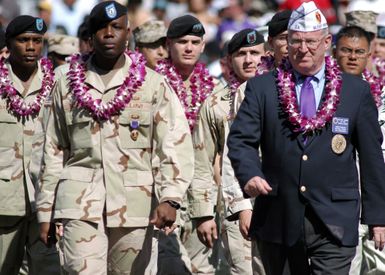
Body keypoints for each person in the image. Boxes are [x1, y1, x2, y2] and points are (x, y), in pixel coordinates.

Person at [227, 2, 385, 274]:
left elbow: (372, 157)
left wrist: (378, 218)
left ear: (326, 42)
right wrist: (249, 174)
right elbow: (241, 140)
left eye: (311, 42)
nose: (303, 49)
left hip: (335, 219)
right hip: (279, 216)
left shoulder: (354, 91)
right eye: (296, 41)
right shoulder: (262, 88)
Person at [36, 1, 194, 274]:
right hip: (79, 205)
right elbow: (52, 147)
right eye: (101, 28)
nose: (109, 33)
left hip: (136, 205)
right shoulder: (65, 82)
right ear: (90, 36)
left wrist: (170, 197)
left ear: (128, 33)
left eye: (116, 27)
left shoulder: (152, 83)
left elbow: (173, 143)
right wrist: (46, 209)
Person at [191, 28, 266, 275]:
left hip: (277, 203)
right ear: (229, 61)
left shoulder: (282, 95)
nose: (248, 60)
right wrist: (203, 214)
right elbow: (201, 160)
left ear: (265, 55)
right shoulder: (215, 104)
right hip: (235, 206)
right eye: (241, 54)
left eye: (254, 53)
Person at [155, 14, 223, 274]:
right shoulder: (151, 84)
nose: (189, 48)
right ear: (168, 45)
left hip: (202, 194)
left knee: (202, 268)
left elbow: (220, 148)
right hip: (163, 190)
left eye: (195, 42)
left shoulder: (215, 88)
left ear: (204, 46)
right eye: (182, 41)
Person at [0, 15, 60, 275]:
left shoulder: (58, 85)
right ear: (8, 44)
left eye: (37, 41)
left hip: (46, 202)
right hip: (4, 203)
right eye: (23, 40)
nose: (31, 47)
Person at [334, 25, 385, 275]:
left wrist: (378, 214)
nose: (353, 57)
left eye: (359, 52)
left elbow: (374, 156)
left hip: (375, 199)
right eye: (346, 50)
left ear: (369, 55)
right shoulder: (320, 91)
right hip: (340, 205)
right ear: (334, 52)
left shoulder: (379, 91)